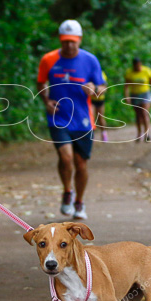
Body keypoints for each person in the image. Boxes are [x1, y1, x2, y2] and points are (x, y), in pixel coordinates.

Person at [36, 20, 104, 220]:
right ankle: (67, 192)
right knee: (66, 158)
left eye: (73, 41)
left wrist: (94, 89)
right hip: (58, 117)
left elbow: (102, 87)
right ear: (60, 40)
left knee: (80, 163)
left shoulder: (90, 60)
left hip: (83, 119)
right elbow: (41, 82)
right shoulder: (48, 60)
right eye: (65, 41)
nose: (69, 45)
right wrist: (46, 100)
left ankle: (79, 202)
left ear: (80, 40)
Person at [123, 58, 151, 142]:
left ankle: (147, 133)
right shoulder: (129, 73)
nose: (137, 67)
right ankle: (139, 133)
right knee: (138, 115)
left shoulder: (146, 71)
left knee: (144, 113)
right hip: (134, 94)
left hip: (145, 93)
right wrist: (127, 97)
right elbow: (126, 86)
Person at [92, 68, 110, 142]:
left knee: (100, 117)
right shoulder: (87, 72)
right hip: (91, 99)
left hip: (100, 99)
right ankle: (91, 135)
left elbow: (104, 87)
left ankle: (104, 133)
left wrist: (96, 90)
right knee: (91, 117)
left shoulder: (101, 74)